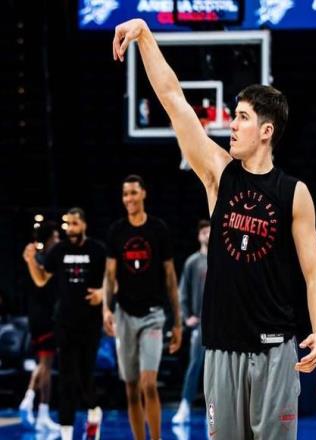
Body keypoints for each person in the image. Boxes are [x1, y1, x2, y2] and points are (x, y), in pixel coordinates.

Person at [112, 19, 316, 439]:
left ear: (266, 131)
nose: (231, 124)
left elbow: (315, 272)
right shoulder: (218, 173)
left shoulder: (294, 193)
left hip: (275, 349)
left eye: (242, 117)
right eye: (234, 115)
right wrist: (145, 36)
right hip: (222, 347)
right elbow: (174, 100)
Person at [103, 174, 182, 440]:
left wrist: (178, 322)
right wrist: (106, 309)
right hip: (125, 314)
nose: (129, 198)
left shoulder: (158, 229)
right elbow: (109, 275)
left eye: (134, 193)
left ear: (144, 194)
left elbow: (170, 277)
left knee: (149, 384)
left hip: (153, 316)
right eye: (125, 194)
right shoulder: (116, 231)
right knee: (131, 388)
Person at [23, 208, 106, 440]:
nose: (71, 228)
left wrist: (102, 293)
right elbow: (41, 279)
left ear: (84, 225)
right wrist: (30, 261)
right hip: (65, 322)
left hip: (90, 323)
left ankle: (94, 411)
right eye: (68, 224)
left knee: (85, 375)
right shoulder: (59, 251)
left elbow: (112, 280)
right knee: (66, 379)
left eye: (75, 224)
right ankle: (66, 432)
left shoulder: (97, 250)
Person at [19, 221, 60, 431]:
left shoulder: (33, 256)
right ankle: (43, 412)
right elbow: (41, 281)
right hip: (45, 317)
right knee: (46, 365)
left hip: (34, 315)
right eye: (56, 236)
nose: (58, 240)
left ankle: (28, 399)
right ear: (49, 238)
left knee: (42, 363)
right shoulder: (45, 259)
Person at [172, 220, 210, 424]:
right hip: (201, 322)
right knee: (195, 364)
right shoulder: (192, 262)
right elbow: (182, 292)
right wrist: (187, 317)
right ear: (199, 236)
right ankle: (185, 405)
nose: (208, 235)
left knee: (219, 369)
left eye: (210, 231)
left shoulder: (224, 259)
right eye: (204, 232)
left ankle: (214, 410)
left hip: (221, 323)